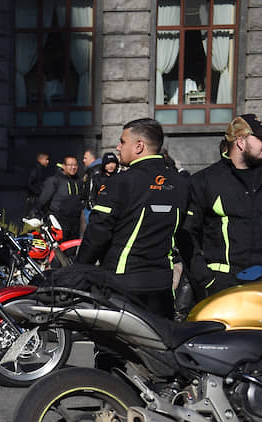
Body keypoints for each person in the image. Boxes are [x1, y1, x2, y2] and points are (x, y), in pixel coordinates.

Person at [77, 118, 190, 319]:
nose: (118, 147)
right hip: (162, 286)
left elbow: (97, 235)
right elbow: (183, 233)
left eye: (122, 141)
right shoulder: (181, 184)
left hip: (122, 287)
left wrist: (77, 273)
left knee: (113, 350)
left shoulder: (120, 183)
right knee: (156, 348)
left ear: (139, 146)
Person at [182, 114, 262, 298]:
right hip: (223, 287)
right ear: (240, 141)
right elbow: (186, 235)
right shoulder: (205, 181)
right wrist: (208, 280)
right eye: (261, 138)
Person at [37, 154, 84, 241]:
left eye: (75, 165)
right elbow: (42, 201)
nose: (73, 167)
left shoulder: (79, 181)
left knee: (72, 249)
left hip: (75, 222)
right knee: (58, 249)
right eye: (70, 165)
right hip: (59, 221)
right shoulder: (54, 180)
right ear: (63, 166)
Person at [25, 152, 52, 217]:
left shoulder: (43, 170)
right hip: (35, 199)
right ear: (40, 160)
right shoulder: (36, 170)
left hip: (38, 198)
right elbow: (30, 184)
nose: (48, 161)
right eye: (46, 159)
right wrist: (39, 192)